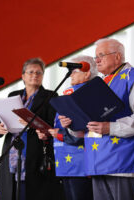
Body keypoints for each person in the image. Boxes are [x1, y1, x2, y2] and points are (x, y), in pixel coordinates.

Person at [59, 38, 134, 200]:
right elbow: (88, 127)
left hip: (121, 159)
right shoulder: (101, 83)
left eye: (101, 55)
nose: (96, 60)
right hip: (98, 159)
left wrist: (110, 128)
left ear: (117, 56)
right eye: (96, 56)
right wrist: (72, 125)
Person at [0, 58, 64, 200]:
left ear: (43, 76)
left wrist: (34, 126)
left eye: (39, 73)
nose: (34, 75)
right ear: (23, 76)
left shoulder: (50, 96)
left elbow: (53, 125)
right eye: (30, 72)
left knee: (31, 194)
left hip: (35, 154)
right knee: (9, 193)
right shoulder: (13, 95)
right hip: (11, 153)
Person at [36, 55, 97, 200]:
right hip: (65, 162)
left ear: (87, 72)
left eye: (74, 70)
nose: (70, 74)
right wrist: (48, 133)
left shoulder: (88, 93)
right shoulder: (69, 92)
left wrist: (59, 133)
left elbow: (85, 130)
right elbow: (60, 126)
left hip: (81, 164)